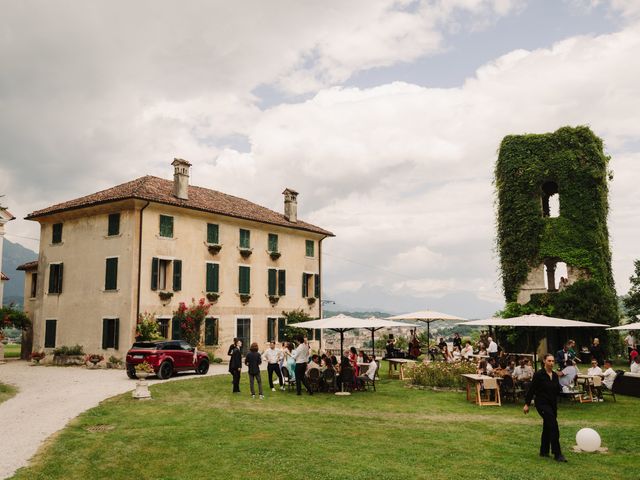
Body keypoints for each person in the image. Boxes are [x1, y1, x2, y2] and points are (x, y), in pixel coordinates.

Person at [523, 354, 567, 462]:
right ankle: (558, 454)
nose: (551, 363)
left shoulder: (555, 375)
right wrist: (527, 404)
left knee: (547, 426)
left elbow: (557, 390)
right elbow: (532, 389)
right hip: (542, 404)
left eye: (553, 361)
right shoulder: (539, 375)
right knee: (553, 426)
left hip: (552, 404)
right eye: (549, 361)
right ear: (544, 361)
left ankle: (544, 451)